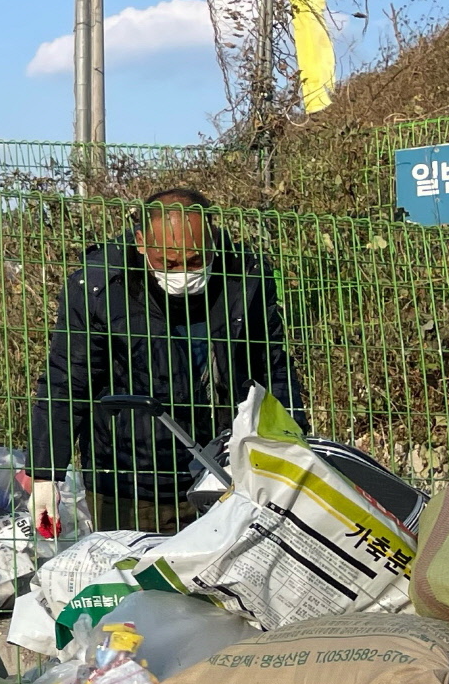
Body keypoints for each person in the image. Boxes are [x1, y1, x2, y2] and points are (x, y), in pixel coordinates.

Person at [28, 187, 302, 535]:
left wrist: (295, 446)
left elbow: (272, 365)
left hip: (225, 467)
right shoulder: (99, 286)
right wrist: (44, 473)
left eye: (195, 260)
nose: (183, 272)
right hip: (130, 475)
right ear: (141, 242)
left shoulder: (243, 277)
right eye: (169, 263)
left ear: (213, 238)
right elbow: (68, 380)